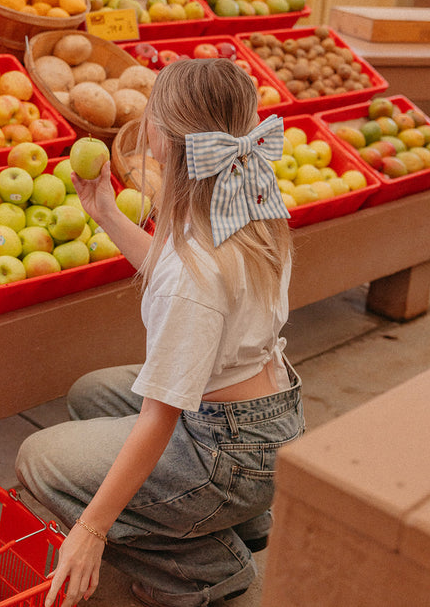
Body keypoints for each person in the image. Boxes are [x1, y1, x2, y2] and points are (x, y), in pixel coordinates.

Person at [16, 57, 306, 607]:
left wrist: (91, 530)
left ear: (161, 137)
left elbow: (158, 417)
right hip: (266, 417)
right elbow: (185, 272)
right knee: (90, 394)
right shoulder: (246, 198)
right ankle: (234, 519)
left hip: (227, 450)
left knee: (40, 461)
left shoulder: (192, 277)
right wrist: (105, 211)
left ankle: (207, 568)